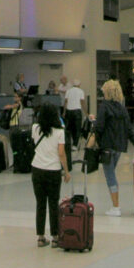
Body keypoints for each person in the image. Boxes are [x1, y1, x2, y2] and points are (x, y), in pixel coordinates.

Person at [88, 79, 134, 217]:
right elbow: (129, 128)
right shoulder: (121, 108)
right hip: (119, 147)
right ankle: (115, 205)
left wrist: (94, 132)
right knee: (111, 173)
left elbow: (99, 127)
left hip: (107, 146)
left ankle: (116, 206)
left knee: (110, 176)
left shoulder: (104, 106)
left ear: (107, 92)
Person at [30, 102, 70, 247]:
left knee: (40, 204)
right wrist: (66, 171)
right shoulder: (60, 131)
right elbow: (61, 153)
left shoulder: (35, 128)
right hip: (53, 171)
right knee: (53, 204)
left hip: (37, 169)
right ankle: (55, 237)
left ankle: (40, 237)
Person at [63, 78, 86, 147]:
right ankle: (75, 145)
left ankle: (68, 143)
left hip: (69, 111)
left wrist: (64, 112)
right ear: (79, 84)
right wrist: (86, 112)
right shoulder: (81, 91)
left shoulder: (68, 91)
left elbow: (66, 102)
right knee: (77, 128)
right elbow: (82, 103)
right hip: (77, 111)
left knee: (70, 128)